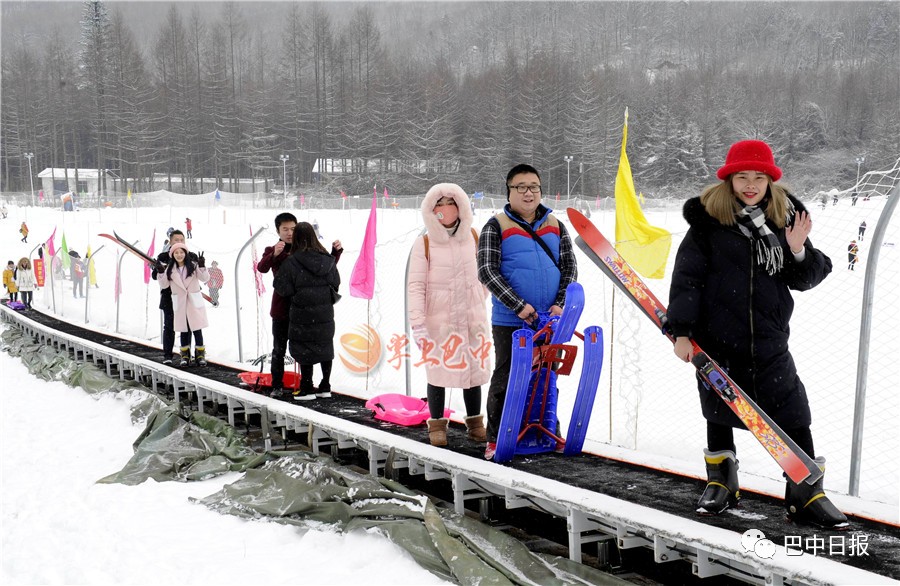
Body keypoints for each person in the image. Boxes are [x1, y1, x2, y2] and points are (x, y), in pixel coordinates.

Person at [667, 139, 847, 529]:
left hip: (769, 340)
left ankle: (806, 491)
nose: (751, 185)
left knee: (794, 411)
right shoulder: (708, 224)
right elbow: (687, 279)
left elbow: (807, 277)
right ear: (729, 179)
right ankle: (722, 482)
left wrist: (797, 250)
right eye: (742, 177)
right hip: (717, 340)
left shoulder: (784, 220)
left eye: (759, 177)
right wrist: (681, 331)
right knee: (719, 410)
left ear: (770, 180)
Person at [477, 163, 578, 460]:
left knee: (547, 377)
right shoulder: (495, 226)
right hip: (511, 320)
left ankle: (548, 430)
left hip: (550, 320)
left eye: (534, 186)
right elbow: (487, 271)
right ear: (509, 192)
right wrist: (519, 306)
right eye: (520, 187)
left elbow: (569, 268)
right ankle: (496, 437)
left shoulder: (556, 225)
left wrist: (560, 303)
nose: (528, 192)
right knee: (508, 377)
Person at [407, 183, 491, 447]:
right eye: (439, 204)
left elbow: (486, 275)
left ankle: (476, 424)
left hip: (471, 317)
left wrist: (477, 295)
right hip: (439, 319)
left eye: (450, 202)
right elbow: (416, 285)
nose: (445, 209)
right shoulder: (425, 243)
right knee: (438, 372)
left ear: (461, 206)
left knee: (473, 372)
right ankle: (437, 426)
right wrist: (418, 323)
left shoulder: (474, 237)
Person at [273, 222, 342, 401]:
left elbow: (282, 288)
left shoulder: (292, 262)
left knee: (304, 349)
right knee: (325, 346)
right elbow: (335, 283)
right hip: (324, 313)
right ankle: (325, 386)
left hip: (301, 313)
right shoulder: (327, 260)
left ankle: (306, 387)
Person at [257, 213, 298, 398]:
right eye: (285, 229)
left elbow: (322, 267)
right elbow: (262, 268)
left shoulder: (303, 248)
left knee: (302, 349)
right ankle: (277, 385)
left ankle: (305, 385)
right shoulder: (273, 249)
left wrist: (335, 253)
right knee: (279, 349)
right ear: (278, 231)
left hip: (301, 307)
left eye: (293, 229)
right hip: (281, 307)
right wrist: (275, 253)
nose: (290, 233)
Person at [157, 242, 209, 367]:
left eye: (181, 252)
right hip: (180, 303)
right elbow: (164, 285)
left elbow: (204, 278)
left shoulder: (193, 266)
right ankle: (185, 356)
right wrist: (160, 272)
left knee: (197, 329)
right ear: (172, 254)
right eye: (176, 253)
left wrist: (202, 266)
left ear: (185, 253)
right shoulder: (170, 269)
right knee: (184, 330)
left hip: (193, 302)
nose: (179, 255)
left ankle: (200, 355)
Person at [152, 230, 195, 365]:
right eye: (176, 240)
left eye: (182, 240)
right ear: (170, 242)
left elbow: (198, 275)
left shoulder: (190, 256)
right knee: (169, 327)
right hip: (169, 298)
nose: (179, 243)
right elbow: (155, 276)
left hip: (186, 298)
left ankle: (186, 356)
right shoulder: (163, 256)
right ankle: (167, 355)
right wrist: (159, 269)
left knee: (187, 327)